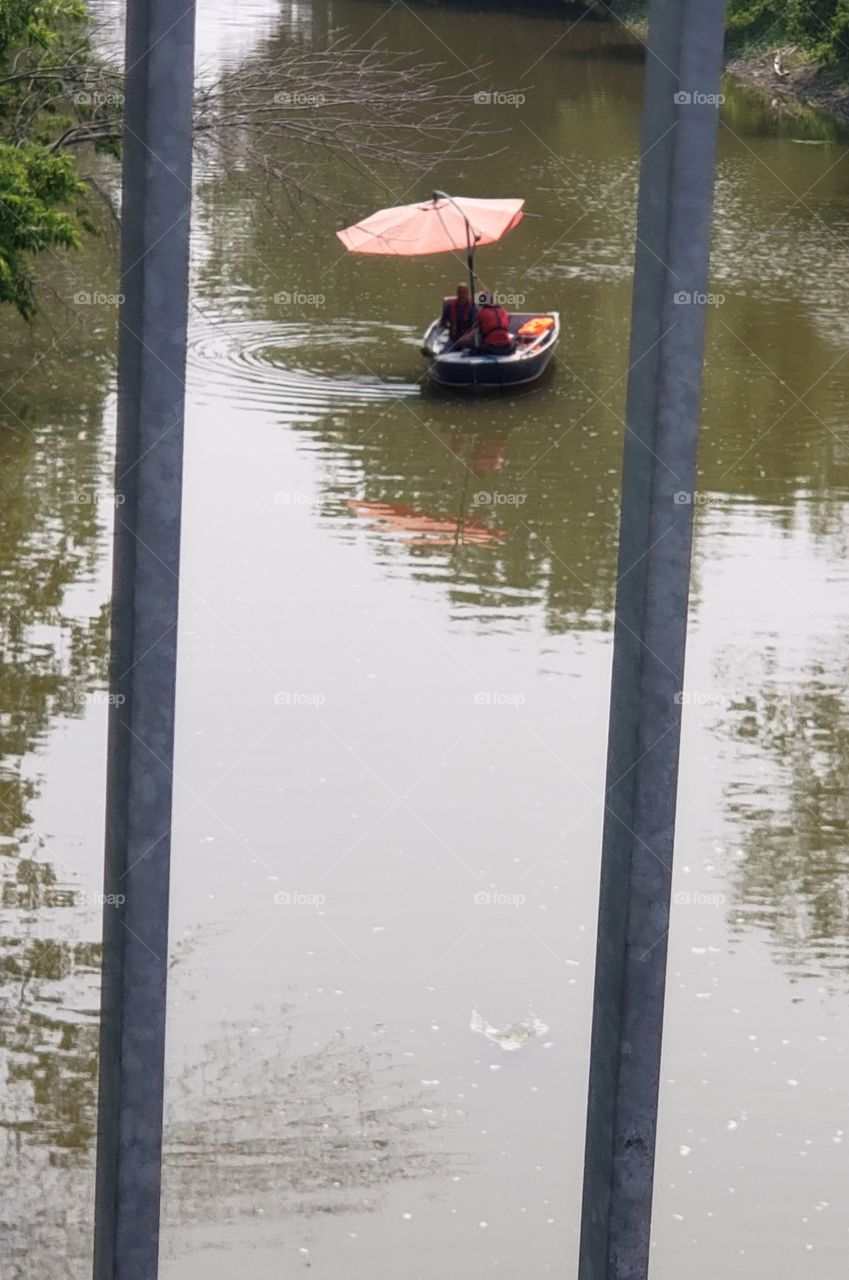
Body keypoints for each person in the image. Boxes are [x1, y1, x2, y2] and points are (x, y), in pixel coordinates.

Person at [440, 282, 476, 349]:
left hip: (468, 340)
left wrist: (469, 336)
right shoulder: (449, 307)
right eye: (460, 292)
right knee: (442, 354)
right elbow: (443, 323)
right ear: (457, 293)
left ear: (468, 294)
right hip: (453, 339)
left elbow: (476, 326)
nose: (462, 294)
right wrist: (449, 325)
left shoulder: (473, 308)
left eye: (464, 292)